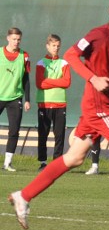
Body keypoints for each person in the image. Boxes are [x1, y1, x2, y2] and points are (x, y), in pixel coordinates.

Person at [7, 0, 109, 230]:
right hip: (98, 105)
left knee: (74, 158)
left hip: (102, 104)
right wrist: (93, 77)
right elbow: (71, 55)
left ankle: (24, 195)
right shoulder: (98, 34)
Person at [36, 34, 71, 171]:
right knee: (43, 134)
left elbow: (67, 82)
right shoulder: (41, 63)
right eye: (53, 46)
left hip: (60, 103)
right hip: (44, 103)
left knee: (59, 135)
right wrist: (58, 83)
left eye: (58, 46)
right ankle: (43, 162)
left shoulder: (64, 63)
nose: (56, 48)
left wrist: (48, 82)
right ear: (47, 46)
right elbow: (40, 83)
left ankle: (56, 163)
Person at [1, 27, 31, 172]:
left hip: (15, 98)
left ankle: (7, 163)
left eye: (18, 39)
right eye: (14, 39)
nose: (16, 42)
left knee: (14, 131)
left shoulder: (24, 55)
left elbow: (26, 78)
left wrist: (27, 99)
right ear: (8, 38)